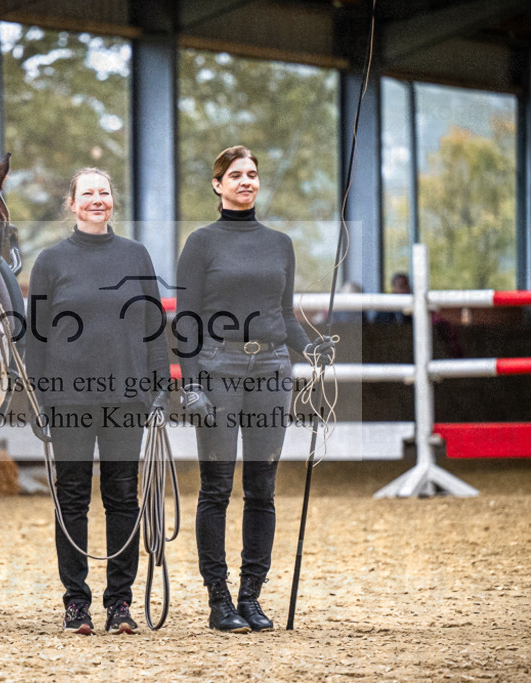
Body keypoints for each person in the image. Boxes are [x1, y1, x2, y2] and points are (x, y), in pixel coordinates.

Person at [175, 145, 334, 633]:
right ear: (218, 185)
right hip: (218, 366)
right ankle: (218, 599)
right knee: (217, 488)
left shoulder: (279, 243)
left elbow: (284, 315)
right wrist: (190, 384)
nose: (247, 181)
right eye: (236, 175)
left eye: (252, 174)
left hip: (271, 369)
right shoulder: (201, 243)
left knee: (262, 488)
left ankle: (252, 595)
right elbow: (186, 319)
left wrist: (311, 346)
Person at [26, 168, 170, 636]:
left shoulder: (136, 256)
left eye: (103, 192)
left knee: (123, 497)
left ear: (113, 202)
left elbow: (153, 326)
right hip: (67, 399)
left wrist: (159, 388)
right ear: (71, 203)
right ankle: (76, 603)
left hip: (126, 398)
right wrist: (37, 397)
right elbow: (38, 337)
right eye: (87, 193)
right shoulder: (50, 261)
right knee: (71, 499)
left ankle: (120, 603)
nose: (96, 199)